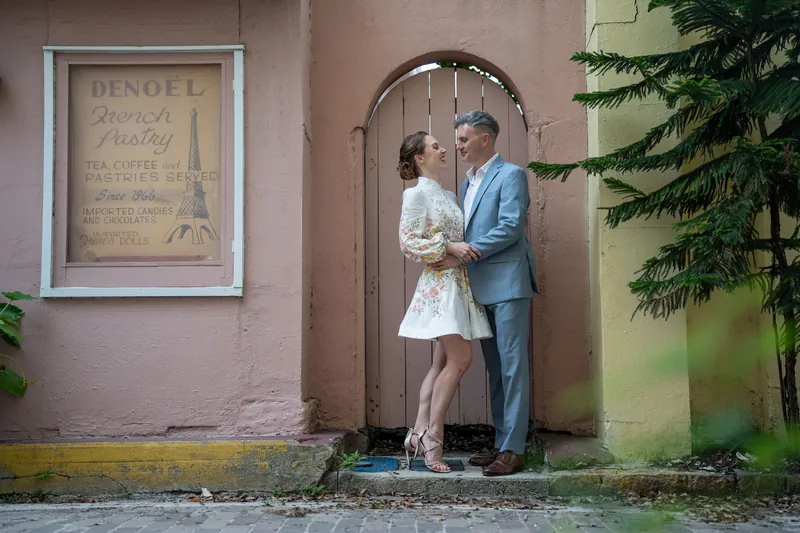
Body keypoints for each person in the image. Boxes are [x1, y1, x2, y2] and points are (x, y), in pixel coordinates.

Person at [432, 110, 538, 476]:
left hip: (508, 284)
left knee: (513, 367)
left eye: (463, 139)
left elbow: (510, 227)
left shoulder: (511, 175)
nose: (458, 146)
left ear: (485, 139)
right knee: (495, 369)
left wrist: (464, 252)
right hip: (479, 287)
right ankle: (501, 442)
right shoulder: (467, 184)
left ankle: (514, 449)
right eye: (458, 140)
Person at [396, 131, 493, 473]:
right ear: (420, 158)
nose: (443, 149)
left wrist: (456, 254)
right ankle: (433, 436)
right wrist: (448, 247)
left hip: (458, 282)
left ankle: (417, 433)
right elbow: (408, 242)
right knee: (461, 359)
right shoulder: (415, 194)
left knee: (441, 363)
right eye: (435, 146)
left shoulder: (450, 195)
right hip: (440, 287)